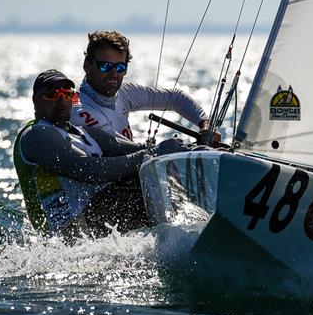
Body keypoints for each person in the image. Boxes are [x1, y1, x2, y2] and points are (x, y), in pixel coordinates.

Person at [13, 69, 186, 238]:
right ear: (36, 99)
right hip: (67, 232)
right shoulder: (35, 134)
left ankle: (186, 230)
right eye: (52, 94)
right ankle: (181, 235)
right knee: (146, 173)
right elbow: (87, 170)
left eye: (66, 94)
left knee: (156, 169)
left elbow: (140, 150)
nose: (61, 100)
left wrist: (183, 150)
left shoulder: (86, 132)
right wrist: (152, 155)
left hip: (96, 217)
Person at [72, 30, 219, 144]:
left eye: (120, 67)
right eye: (105, 66)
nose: (114, 73)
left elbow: (175, 98)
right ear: (87, 65)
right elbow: (116, 147)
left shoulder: (126, 93)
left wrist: (205, 125)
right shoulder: (78, 110)